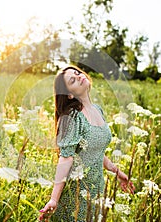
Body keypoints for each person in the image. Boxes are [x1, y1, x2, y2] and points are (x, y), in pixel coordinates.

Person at [39, 65, 135, 221]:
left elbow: (94, 151)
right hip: (76, 194)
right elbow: (66, 158)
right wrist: (54, 199)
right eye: (72, 80)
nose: (78, 76)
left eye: (77, 73)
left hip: (96, 190)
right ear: (69, 94)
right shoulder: (73, 117)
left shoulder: (98, 110)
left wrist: (117, 172)